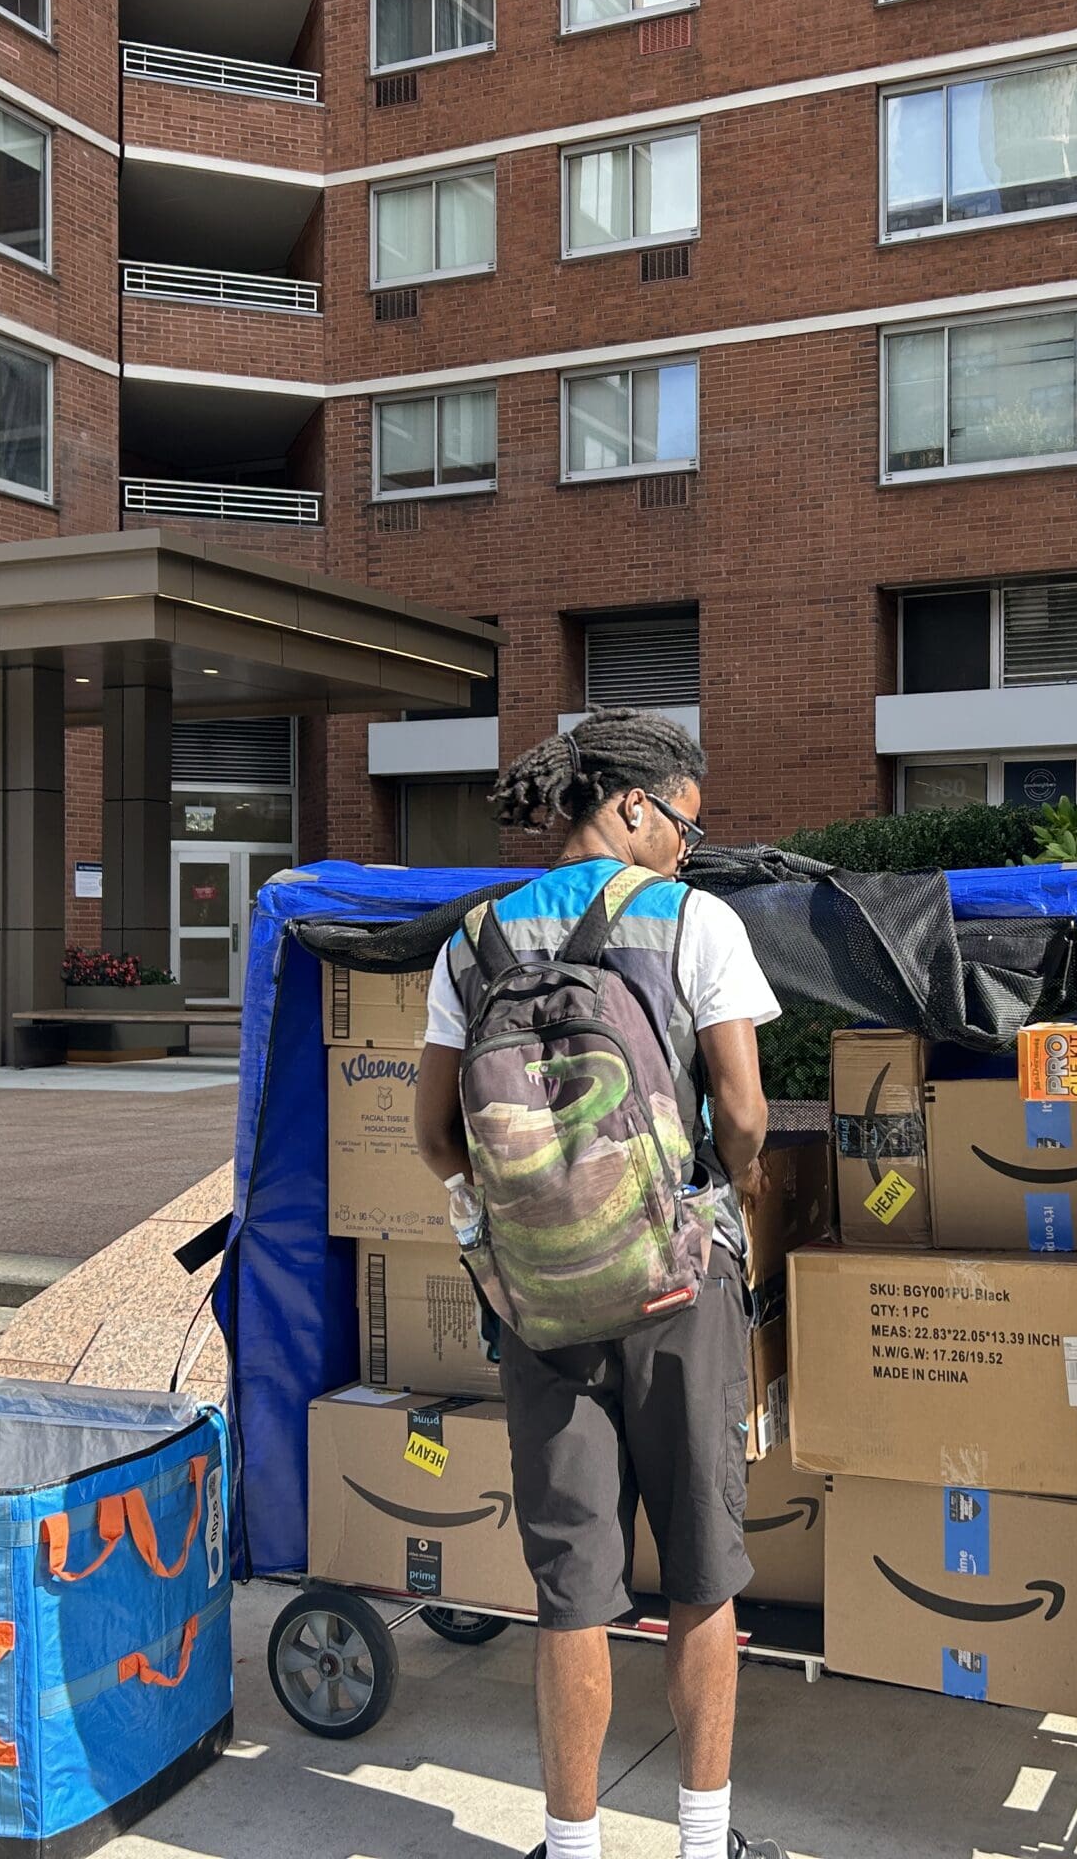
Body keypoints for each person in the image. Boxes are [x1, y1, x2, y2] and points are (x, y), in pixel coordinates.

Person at [413, 711, 785, 1859]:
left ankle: (570, 1847)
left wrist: (533, 1212)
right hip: (676, 1283)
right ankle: (700, 1839)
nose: (690, 842)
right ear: (629, 805)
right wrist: (731, 1194)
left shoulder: (469, 939)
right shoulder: (693, 923)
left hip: (537, 1298)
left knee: (573, 1580)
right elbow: (744, 1110)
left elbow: (433, 1137)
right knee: (701, 1567)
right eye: (684, 819)